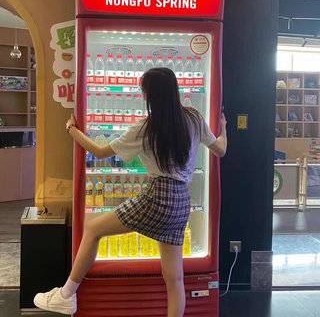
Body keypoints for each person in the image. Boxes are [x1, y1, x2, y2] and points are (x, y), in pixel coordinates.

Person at [34, 67, 227, 317]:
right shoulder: (193, 118)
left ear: (149, 95)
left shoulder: (145, 127)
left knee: (93, 229)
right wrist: (223, 128)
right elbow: (220, 149)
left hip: (158, 196)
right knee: (175, 278)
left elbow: (100, 152)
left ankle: (66, 295)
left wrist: (72, 130)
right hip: (181, 200)